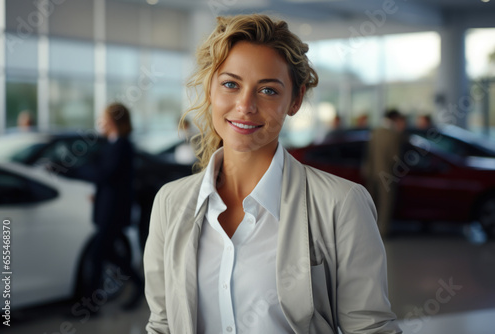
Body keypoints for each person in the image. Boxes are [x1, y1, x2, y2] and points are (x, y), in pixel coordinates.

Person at [144, 14, 401, 334]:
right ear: (210, 88)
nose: (245, 105)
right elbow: (163, 323)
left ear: (295, 100)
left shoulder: (340, 204)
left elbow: (370, 329)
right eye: (230, 84)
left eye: (267, 91)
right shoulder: (171, 202)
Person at [79, 103, 144, 311]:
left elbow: (105, 175)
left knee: (98, 254)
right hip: (107, 208)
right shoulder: (112, 144)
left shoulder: (122, 145)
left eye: (104, 118)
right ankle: (139, 284)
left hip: (113, 211)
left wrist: (84, 169)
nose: (101, 123)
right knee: (106, 253)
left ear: (113, 121)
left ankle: (90, 305)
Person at [363, 109, 408, 238]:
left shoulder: (375, 132)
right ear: (395, 119)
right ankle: (382, 232)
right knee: (385, 204)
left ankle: (369, 230)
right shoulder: (394, 134)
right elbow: (395, 157)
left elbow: (369, 154)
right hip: (387, 174)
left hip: (372, 173)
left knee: (372, 203)